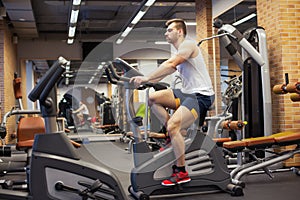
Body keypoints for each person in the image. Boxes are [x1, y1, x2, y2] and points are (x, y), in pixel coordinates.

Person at [130, 18, 215, 186]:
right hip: (187, 93)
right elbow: (166, 71)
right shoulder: (178, 50)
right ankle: (172, 137)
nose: (165, 33)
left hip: (201, 97)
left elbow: (171, 64)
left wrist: (147, 77)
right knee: (153, 98)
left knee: (173, 126)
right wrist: (147, 81)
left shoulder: (189, 45)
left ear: (180, 31)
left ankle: (181, 172)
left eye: (169, 30)